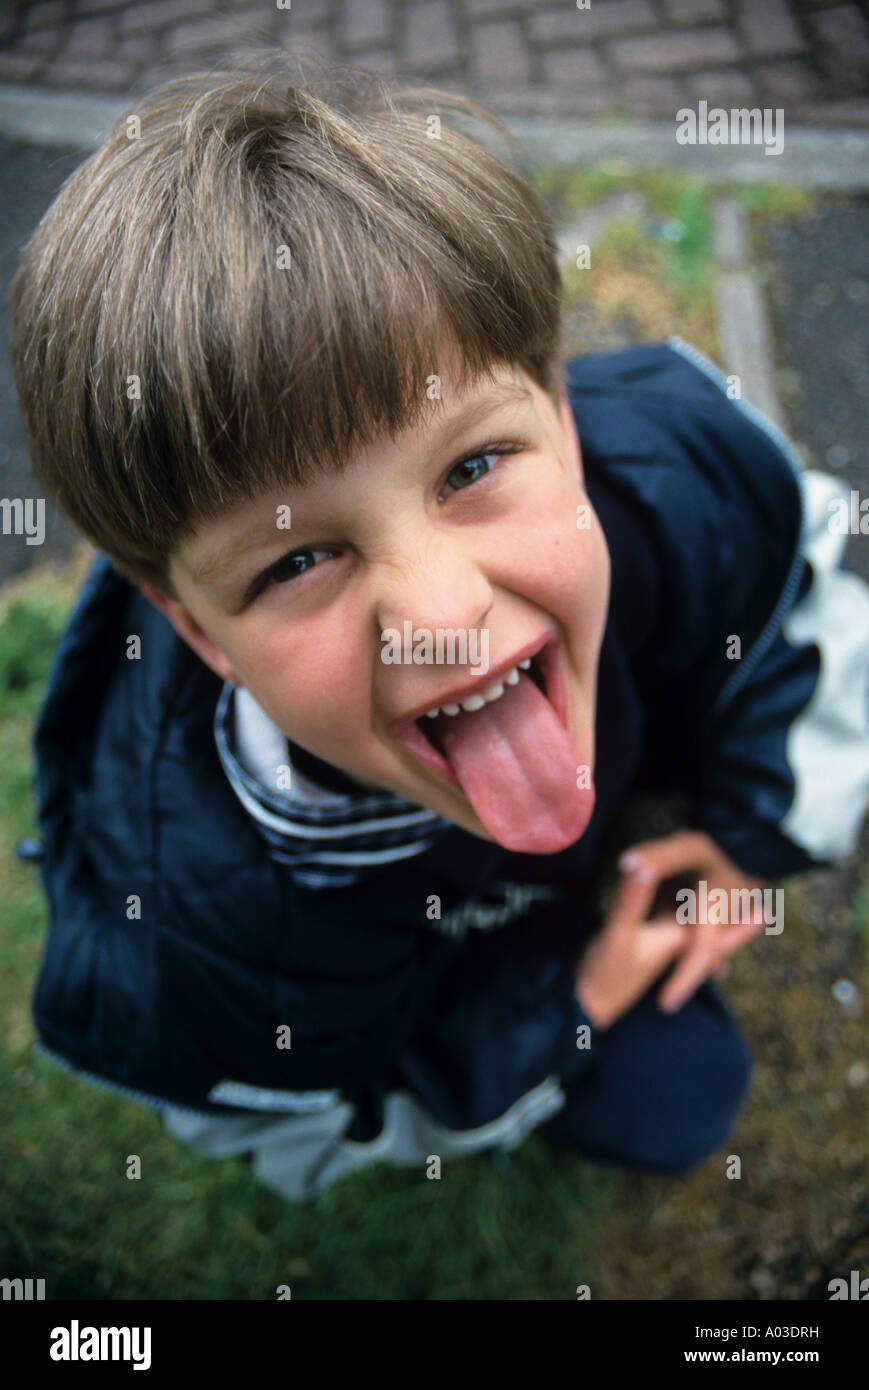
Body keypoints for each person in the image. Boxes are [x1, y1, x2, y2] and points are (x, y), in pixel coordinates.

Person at [10, 59, 869, 1205]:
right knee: (679, 1095)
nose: (439, 614)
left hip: (625, 777)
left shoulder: (684, 482)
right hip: (461, 961)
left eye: (471, 467)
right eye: (296, 560)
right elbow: (317, 1120)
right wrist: (578, 1001)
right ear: (198, 633)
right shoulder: (198, 936)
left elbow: (798, 617)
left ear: (562, 422)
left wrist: (747, 839)